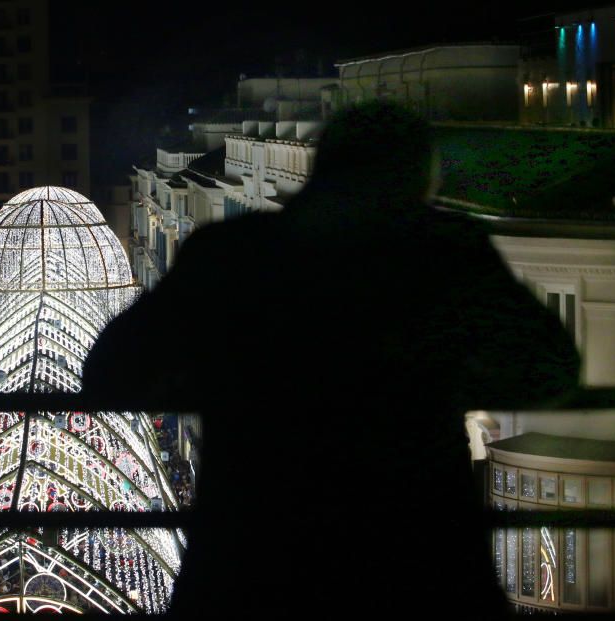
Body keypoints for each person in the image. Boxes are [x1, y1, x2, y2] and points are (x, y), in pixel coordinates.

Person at [81, 101, 580, 618]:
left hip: (252, 568)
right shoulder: (446, 257)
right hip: (416, 571)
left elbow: (110, 374)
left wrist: (223, 381)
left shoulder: (233, 253)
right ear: (416, 181)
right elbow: (549, 368)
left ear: (321, 169)